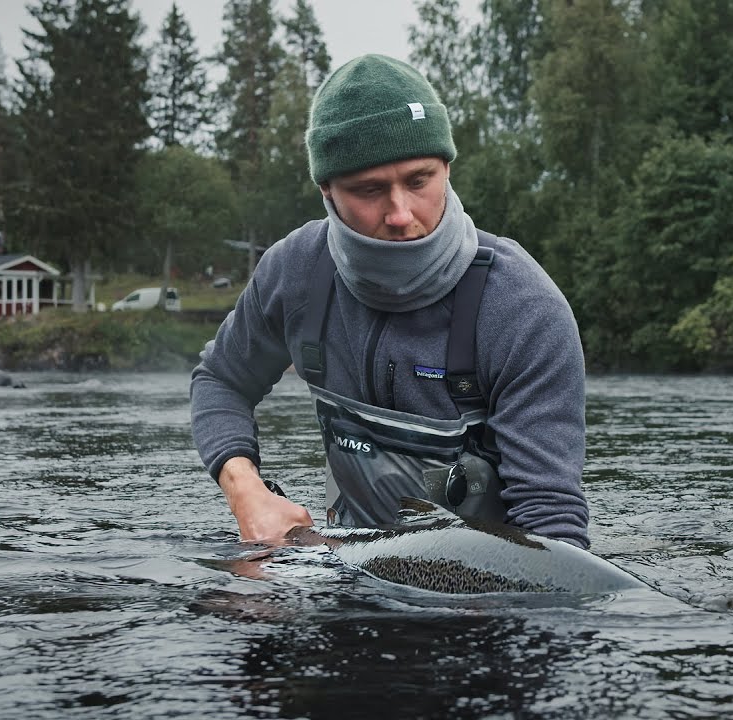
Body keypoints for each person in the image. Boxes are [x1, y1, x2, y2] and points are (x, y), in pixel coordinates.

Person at [190, 54, 589, 549]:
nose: (400, 214)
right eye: (370, 190)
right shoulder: (295, 273)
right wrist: (245, 488)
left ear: (446, 167)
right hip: (346, 573)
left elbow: (550, 525)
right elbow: (222, 380)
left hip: (483, 603)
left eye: (419, 180)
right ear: (327, 191)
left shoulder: (522, 308)